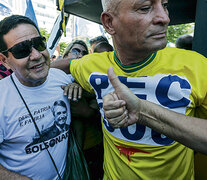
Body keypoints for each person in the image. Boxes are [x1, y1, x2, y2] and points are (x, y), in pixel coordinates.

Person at [51, 0, 207, 179]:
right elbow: (63, 65)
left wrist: (142, 112)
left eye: (165, 5)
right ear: (109, 23)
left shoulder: (197, 66)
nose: (164, 18)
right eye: (145, 8)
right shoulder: (92, 65)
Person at [0, 15, 82, 180]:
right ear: (5, 60)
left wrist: (78, 87)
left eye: (38, 43)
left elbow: (88, 112)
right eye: (22, 50)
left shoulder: (61, 78)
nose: (36, 55)